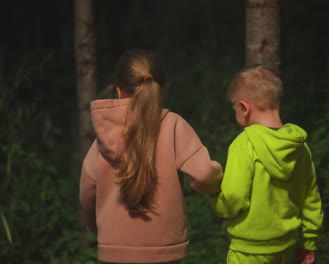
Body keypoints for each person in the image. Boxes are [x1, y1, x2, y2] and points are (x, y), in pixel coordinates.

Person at [79, 49, 223, 264]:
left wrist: (93, 225)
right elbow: (203, 175)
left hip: (115, 250)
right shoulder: (174, 125)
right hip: (164, 251)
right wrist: (217, 187)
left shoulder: (104, 137)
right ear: (162, 90)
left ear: (119, 91)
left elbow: (87, 191)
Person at [211, 65, 323, 264]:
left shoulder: (244, 144)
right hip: (286, 248)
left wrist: (215, 198)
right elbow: (311, 199)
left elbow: (234, 198)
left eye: (234, 107)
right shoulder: (299, 146)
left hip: (248, 251)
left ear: (244, 108)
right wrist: (309, 242)